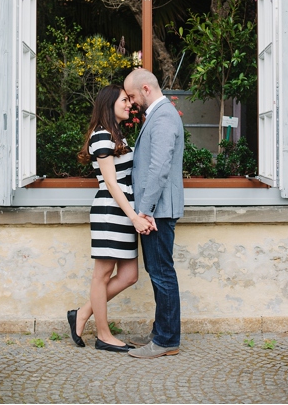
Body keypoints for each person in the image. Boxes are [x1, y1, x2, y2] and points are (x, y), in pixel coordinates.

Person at [68, 84, 155, 353]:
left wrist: (136, 214)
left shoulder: (117, 135)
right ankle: (103, 335)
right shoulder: (102, 135)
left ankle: (81, 313)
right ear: (109, 104)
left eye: (130, 100)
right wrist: (135, 218)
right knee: (102, 275)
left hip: (124, 211)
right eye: (124, 100)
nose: (129, 104)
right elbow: (111, 182)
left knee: (128, 275)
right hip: (111, 211)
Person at [123, 68, 184, 359]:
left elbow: (158, 169)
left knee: (162, 274)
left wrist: (143, 211)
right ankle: (161, 333)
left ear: (146, 89)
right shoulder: (161, 115)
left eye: (133, 95)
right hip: (155, 210)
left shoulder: (162, 117)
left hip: (156, 211)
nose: (132, 102)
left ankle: (166, 340)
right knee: (158, 272)